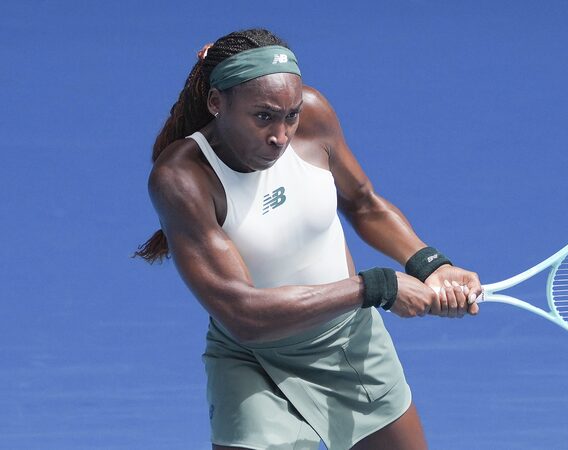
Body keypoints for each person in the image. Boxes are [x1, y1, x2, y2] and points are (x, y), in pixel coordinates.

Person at [135, 28, 482, 450]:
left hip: (349, 342)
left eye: (290, 116)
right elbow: (243, 312)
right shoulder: (182, 178)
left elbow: (365, 204)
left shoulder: (314, 116)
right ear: (216, 103)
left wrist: (432, 265)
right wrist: (376, 288)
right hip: (253, 361)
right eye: (263, 116)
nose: (281, 136)